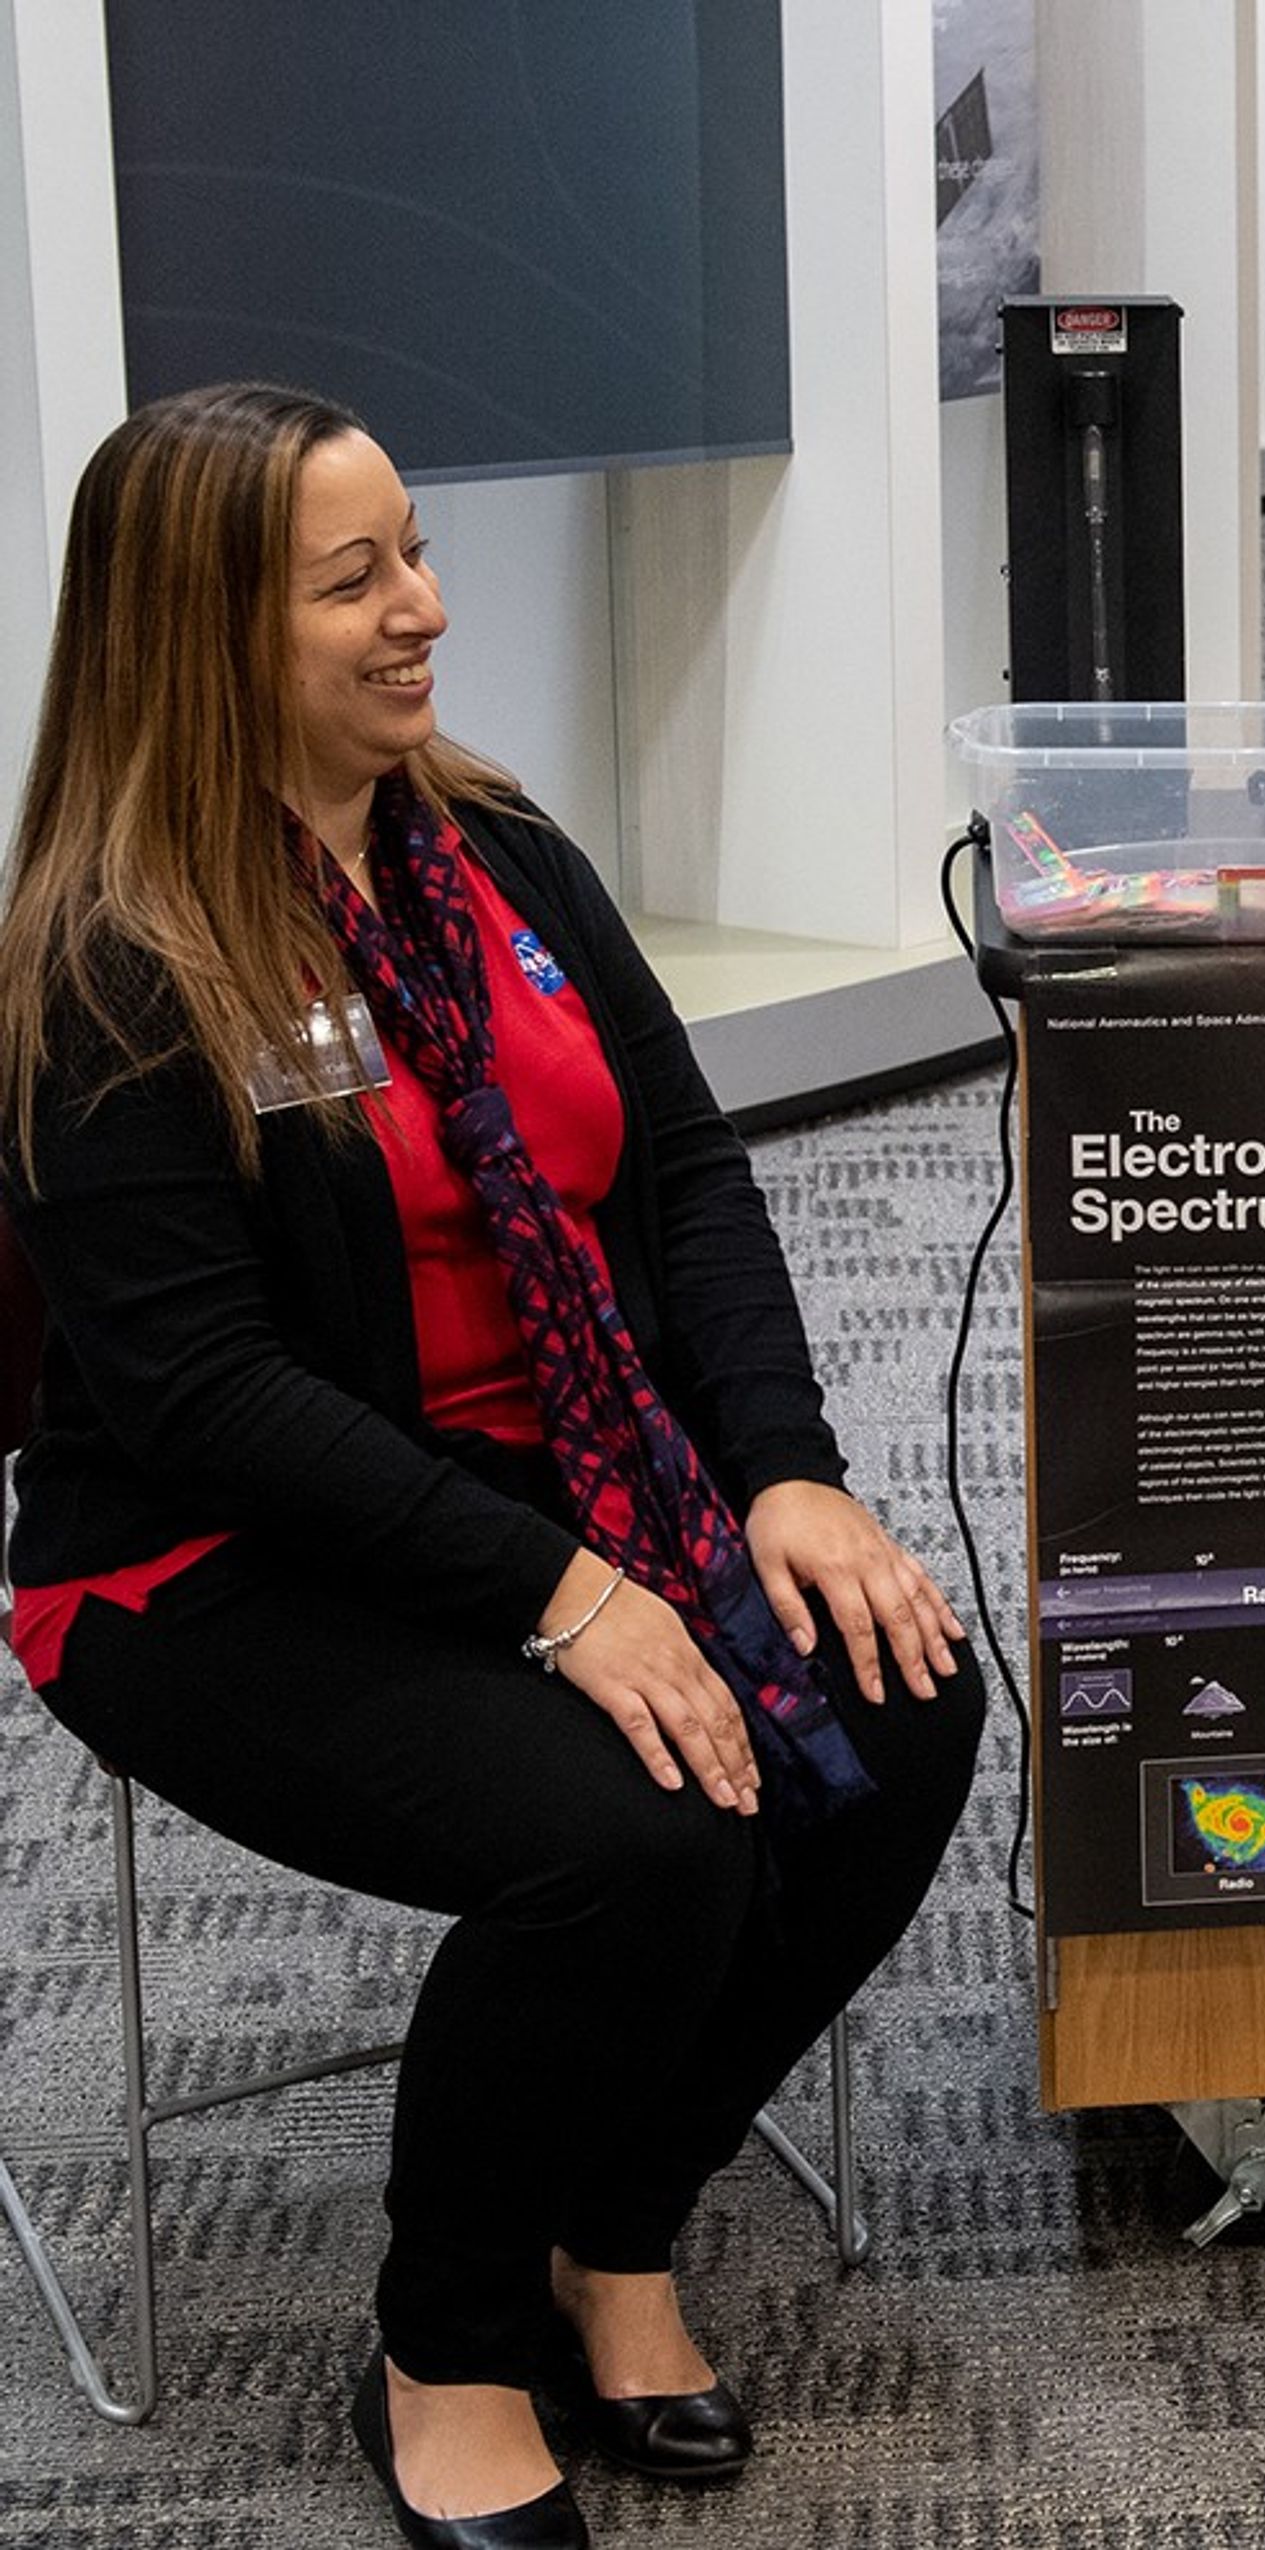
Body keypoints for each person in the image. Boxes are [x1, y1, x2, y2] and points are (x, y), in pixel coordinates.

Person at [0, 383, 985, 2546]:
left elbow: (694, 1178)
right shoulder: (109, 961)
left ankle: (611, 2229)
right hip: (215, 1559)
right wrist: (574, 1600)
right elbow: (206, 1401)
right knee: (637, 1841)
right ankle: (446, 2354)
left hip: (556, 1482)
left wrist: (788, 1476)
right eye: (352, 582)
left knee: (900, 1705)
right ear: (199, 634)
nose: (425, 609)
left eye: (414, 552)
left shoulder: (495, 849)